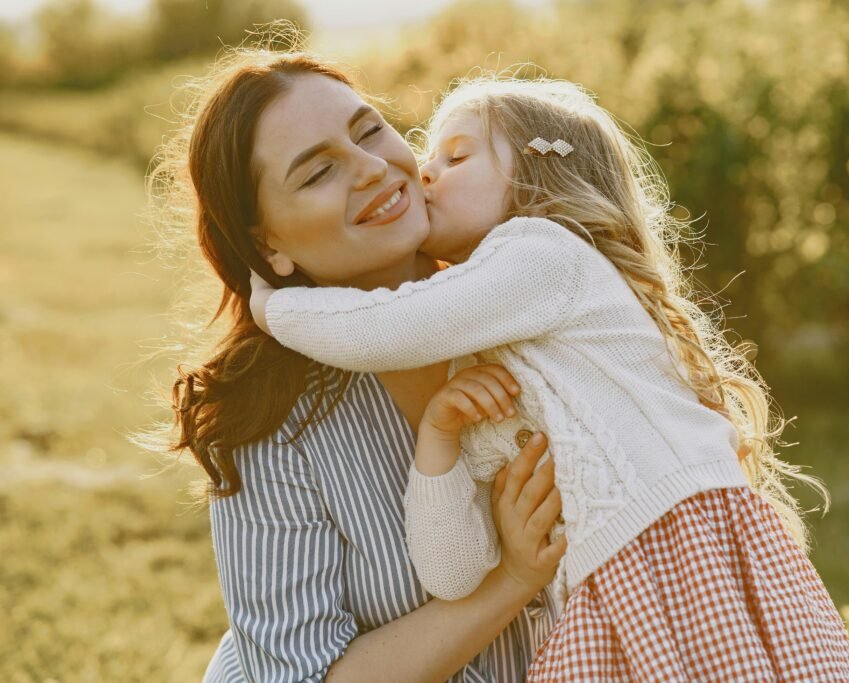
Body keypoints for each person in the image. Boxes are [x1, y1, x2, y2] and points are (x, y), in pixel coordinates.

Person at [250, 76, 849, 681]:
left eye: (457, 155)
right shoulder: (482, 362)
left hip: (680, 561)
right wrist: (439, 440)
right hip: (614, 606)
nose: (424, 171)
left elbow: (381, 330)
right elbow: (453, 573)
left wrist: (275, 307)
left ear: (535, 181)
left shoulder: (543, 253)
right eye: (431, 151)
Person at [152, 50, 567, 683]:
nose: (374, 169)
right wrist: (511, 580)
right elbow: (303, 677)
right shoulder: (264, 419)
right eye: (319, 172)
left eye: (369, 130)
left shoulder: (533, 297)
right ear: (269, 245)